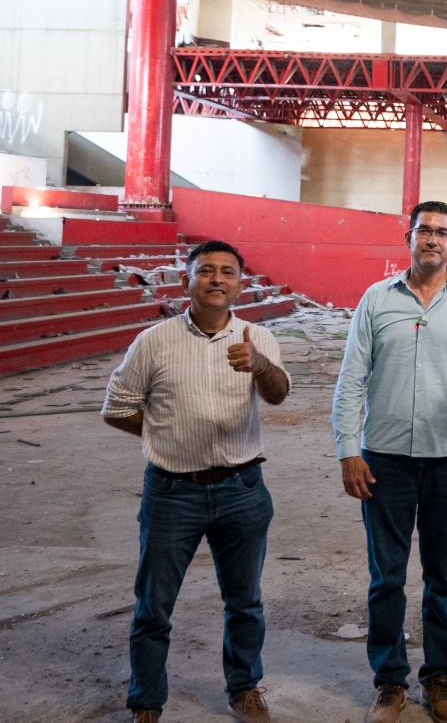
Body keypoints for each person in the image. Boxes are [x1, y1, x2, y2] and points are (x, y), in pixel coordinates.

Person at [101, 239, 291, 723]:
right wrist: (166, 431)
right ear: (187, 279)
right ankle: (146, 701)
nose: (217, 279)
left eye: (228, 271)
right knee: (153, 606)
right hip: (171, 493)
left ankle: (244, 689)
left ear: (240, 283)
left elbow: (278, 396)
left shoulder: (256, 338)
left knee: (245, 601)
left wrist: (261, 366)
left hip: (242, 490)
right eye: (206, 270)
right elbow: (116, 407)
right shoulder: (154, 341)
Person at [333, 202, 447, 723]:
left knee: (443, 574)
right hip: (384, 459)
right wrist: (348, 449)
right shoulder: (376, 299)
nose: (432, 239)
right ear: (408, 237)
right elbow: (350, 379)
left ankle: (438, 678)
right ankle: (389, 684)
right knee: (386, 576)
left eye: (441, 233)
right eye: (423, 231)